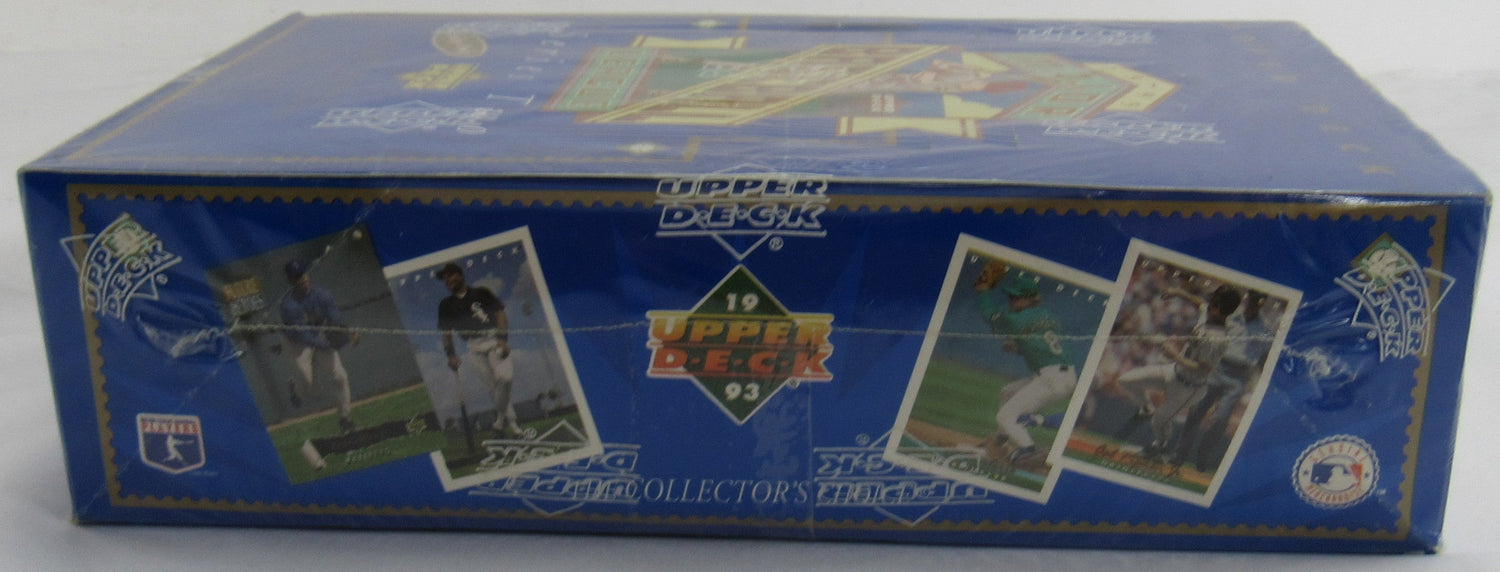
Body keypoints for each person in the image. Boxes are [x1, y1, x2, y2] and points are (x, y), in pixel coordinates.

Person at [1113, 284, 1242, 460]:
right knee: (1126, 380)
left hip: (1190, 387)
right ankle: (1147, 408)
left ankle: (1160, 445)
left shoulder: (1217, 338)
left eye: (1214, 302)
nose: (1209, 303)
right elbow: (1200, 304)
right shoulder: (1209, 312)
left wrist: (1175, 355)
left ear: (1220, 308)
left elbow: (1205, 369)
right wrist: (1178, 292)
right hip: (1173, 372)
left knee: (1159, 420)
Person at [972, 262, 1078, 470]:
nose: (1012, 300)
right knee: (1007, 392)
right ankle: (1001, 441)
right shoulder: (1045, 314)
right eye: (1011, 296)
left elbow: (992, 316)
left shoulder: (1019, 319)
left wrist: (983, 292)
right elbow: (1043, 345)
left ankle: (1027, 451)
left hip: (1052, 377)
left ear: (1031, 299)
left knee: (1006, 416)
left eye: (1016, 297)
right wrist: (1019, 347)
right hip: (1063, 374)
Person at [1172, 291, 1273, 471]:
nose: (1253, 307)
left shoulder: (1265, 327)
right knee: (1196, 411)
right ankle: (1179, 455)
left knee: (1221, 419)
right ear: (1247, 300)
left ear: (1261, 305)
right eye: (1251, 302)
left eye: (1257, 304)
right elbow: (1205, 307)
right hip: (1217, 367)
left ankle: (1204, 452)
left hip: (1239, 375)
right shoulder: (1231, 314)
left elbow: (1266, 356)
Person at [436, 263, 523, 438]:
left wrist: (502, 339)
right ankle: (514, 428)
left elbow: (500, 314)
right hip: (473, 346)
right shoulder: (446, 305)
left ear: (460, 275)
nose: (448, 281)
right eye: (445, 279)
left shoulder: (481, 293)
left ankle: (499, 422)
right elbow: (446, 334)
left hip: (493, 339)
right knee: (493, 388)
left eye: (450, 276)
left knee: (505, 378)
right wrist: (451, 356)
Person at [280, 260, 357, 433]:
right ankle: (296, 389)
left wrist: (344, 333)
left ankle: (345, 419)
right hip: (296, 343)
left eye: (303, 273)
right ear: (291, 281)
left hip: (318, 333)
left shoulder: (322, 294)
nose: (303, 278)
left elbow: (334, 317)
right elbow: (302, 335)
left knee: (340, 376)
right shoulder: (289, 305)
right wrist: (325, 344)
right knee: (312, 390)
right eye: (297, 276)